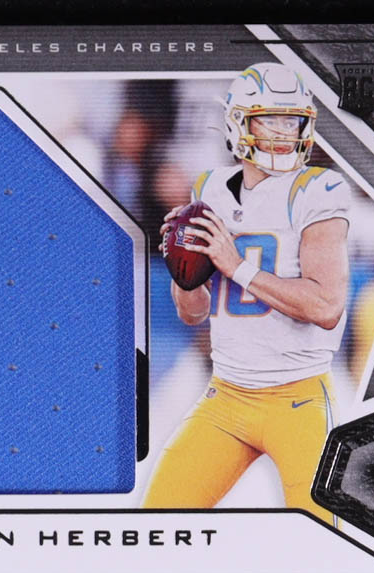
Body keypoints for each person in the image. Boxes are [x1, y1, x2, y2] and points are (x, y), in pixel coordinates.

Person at [143, 62, 350, 522]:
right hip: (227, 397)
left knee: (326, 538)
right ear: (239, 122)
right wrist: (183, 269)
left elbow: (326, 307)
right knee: (158, 524)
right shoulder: (208, 188)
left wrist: (235, 266)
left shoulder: (318, 188)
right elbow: (193, 314)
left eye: (292, 121)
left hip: (297, 399)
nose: (283, 133)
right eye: (270, 119)